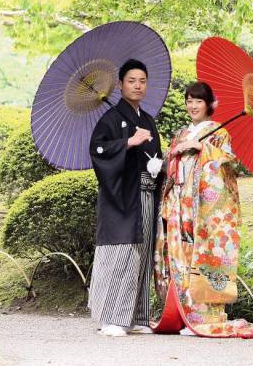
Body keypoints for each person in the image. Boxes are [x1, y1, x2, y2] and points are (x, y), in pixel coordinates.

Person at [154, 81, 253, 338]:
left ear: (209, 105)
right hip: (178, 203)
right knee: (178, 255)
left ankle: (203, 318)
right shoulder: (181, 133)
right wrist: (172, 157)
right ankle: (182, 314)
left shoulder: (218, 132)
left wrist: (203, 148)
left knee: (200, 253)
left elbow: (229, 164)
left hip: (203, 208)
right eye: (189, 101)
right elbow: (172, 168)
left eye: (198, 101)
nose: (193, 106)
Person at [87, 59, 164, 337]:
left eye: (142, 81)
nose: (137, 86)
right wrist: (128, 142)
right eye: (131, 81)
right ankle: (111, 318)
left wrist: (158, 165)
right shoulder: (110, 119)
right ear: (120, 85)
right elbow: (97, 150)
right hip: (121, 199)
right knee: (121, 253)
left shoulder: (147, 120)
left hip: (145, 194)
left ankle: (136, 317)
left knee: (142, 254)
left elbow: (154, 157)